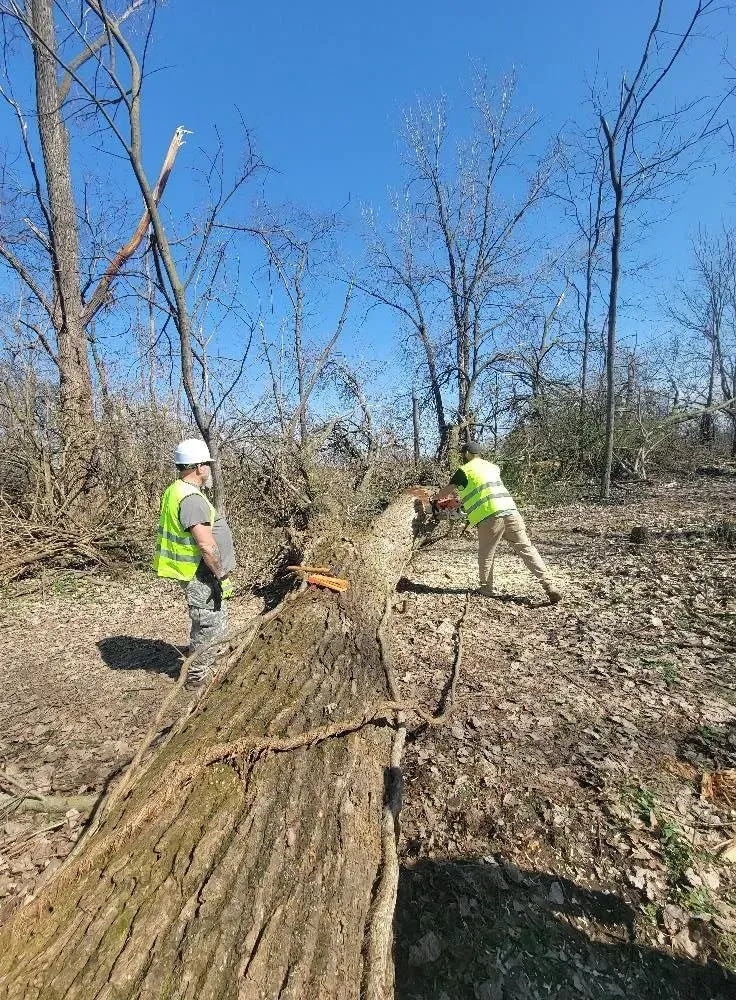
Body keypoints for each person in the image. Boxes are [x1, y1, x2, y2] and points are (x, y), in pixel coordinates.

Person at [152, 438, 237, 687]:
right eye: (207, 465)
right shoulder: (191, 498)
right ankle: (197, 675)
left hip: (197, 570)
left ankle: (208, 659)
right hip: (201, 572)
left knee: (210, 620)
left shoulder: (176, 490)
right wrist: (222, 576)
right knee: (209, 624)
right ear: (199, 467)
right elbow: (206, 546)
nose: (209, 470)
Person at [435, 441, 562, 604]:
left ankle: (487, 588)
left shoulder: (463, 471)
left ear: (466, 453)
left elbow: (446, 491)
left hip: (490, 516)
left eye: (463, 454)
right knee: (527, 549)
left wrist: (435, 499)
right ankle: (549, 585)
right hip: (511, 511)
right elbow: (483, 489)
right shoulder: (493, 467)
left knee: (486, 554)